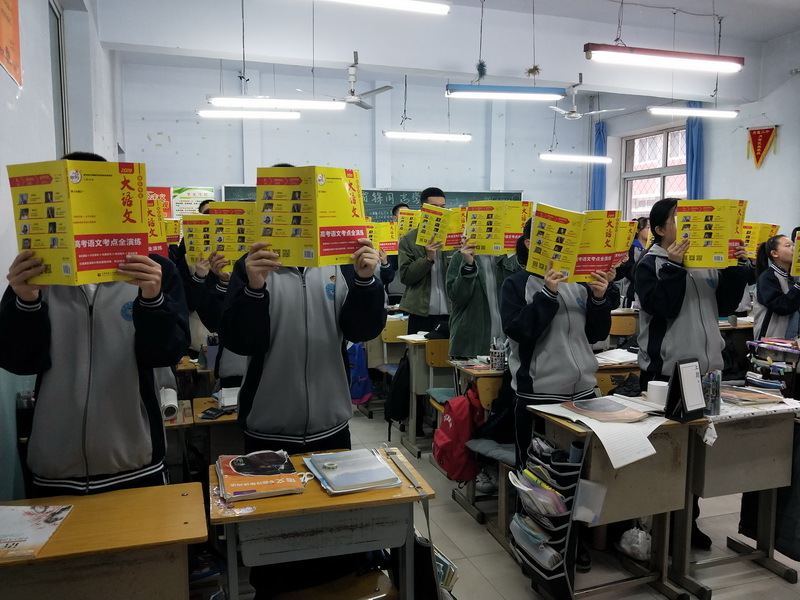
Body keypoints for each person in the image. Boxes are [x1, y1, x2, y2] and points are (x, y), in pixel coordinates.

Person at [0, 151, 190, 497]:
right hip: (55, 467)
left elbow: (167, 353)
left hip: (136, 460)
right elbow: (18, 361)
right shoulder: (34, 275)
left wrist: (151, 299)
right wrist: (25, 301)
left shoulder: (155, 270)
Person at [218, 238, 386, 599]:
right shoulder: (252, 263)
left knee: (335, 547)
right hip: (268, 431)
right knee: (274, 555)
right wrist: (254, 288)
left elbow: (362, 331)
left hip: (331, 429)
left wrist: (366, 281)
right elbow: (240, 340)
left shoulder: (341, 262)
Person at [501, 218, 618, 572]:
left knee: (581, 476)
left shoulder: (578, 283)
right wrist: (548, 294)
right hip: (538, 397)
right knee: (538, 480)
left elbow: (596, 334)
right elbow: (519, 330)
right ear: (529, 243)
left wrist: (599, 298)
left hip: (583, 393)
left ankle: (574, 542)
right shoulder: (516, 283)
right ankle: (532, 546)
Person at [635, 198, 752, 549]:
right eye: (678, 219)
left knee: (695, 454)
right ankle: (657, 527)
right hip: (666, 372)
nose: (686, 224)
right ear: (660, 230)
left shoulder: (706, 261)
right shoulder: (650, 263)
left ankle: (688, 521)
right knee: (664, 456)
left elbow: (725, 306)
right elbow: (661, 307)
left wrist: (735, 267)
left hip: (706, 371)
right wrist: (674, 266)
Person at [446, 236, 520, 358]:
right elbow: (457, 297)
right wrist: (468, 264)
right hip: (470, 346)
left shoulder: (510, 257)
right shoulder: (459, 257)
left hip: (506, 346)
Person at [398, 187, 453, 334]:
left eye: (443, 208)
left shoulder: (453, 238)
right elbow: (406, 276)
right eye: (435, 208)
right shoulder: (409, 239)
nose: (440, 212)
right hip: (420, 312)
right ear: (423, 209)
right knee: (420, 349)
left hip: (451, 311)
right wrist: (428, 259)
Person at [753, 234, 800, 340]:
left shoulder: (791, 277)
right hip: (771, 339)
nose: (793, 248)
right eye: (788, 245)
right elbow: (782, 306)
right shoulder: (768, 277)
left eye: (794, 245)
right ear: (775, 253)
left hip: (792, 339)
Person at [614, 217, 650, 307]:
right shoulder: (630, 247)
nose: (650, 231)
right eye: (648, 227)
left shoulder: (652, 248)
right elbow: (627, 271)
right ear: (638, 230)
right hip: (631, 294)